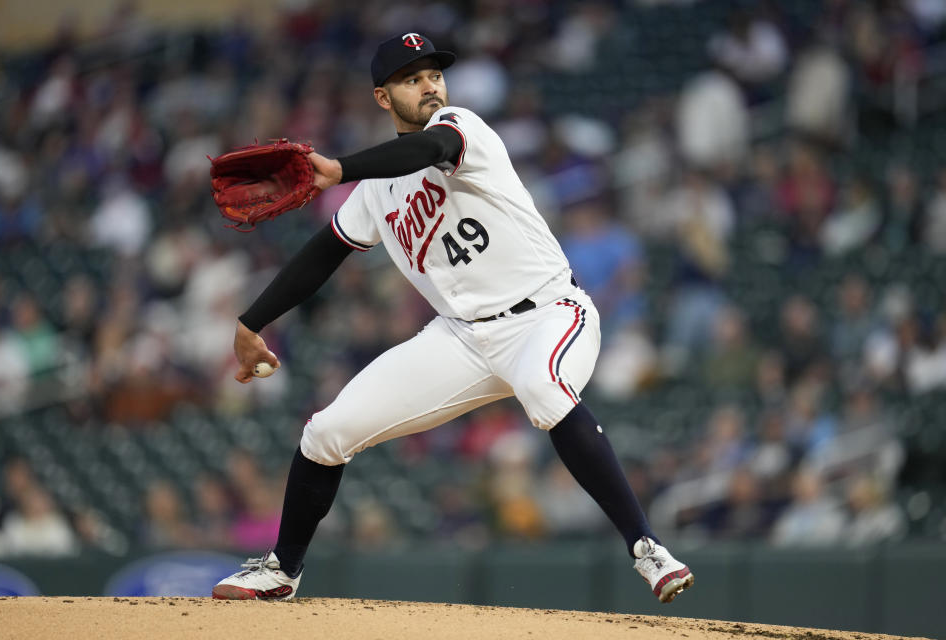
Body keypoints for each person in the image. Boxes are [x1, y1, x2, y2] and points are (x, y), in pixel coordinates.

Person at [212, 33, 693, 604]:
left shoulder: (461, 127)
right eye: (412, 79)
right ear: (382, 97)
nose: (429, 85)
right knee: (326, 432)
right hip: (462, 338)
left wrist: (338, 169)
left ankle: (646, 547)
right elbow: (323, 253)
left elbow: (426, 151)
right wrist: (251, 322)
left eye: (433, 74)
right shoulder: (376, 191)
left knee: (543, 387)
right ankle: (281, 570)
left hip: (547, 313)